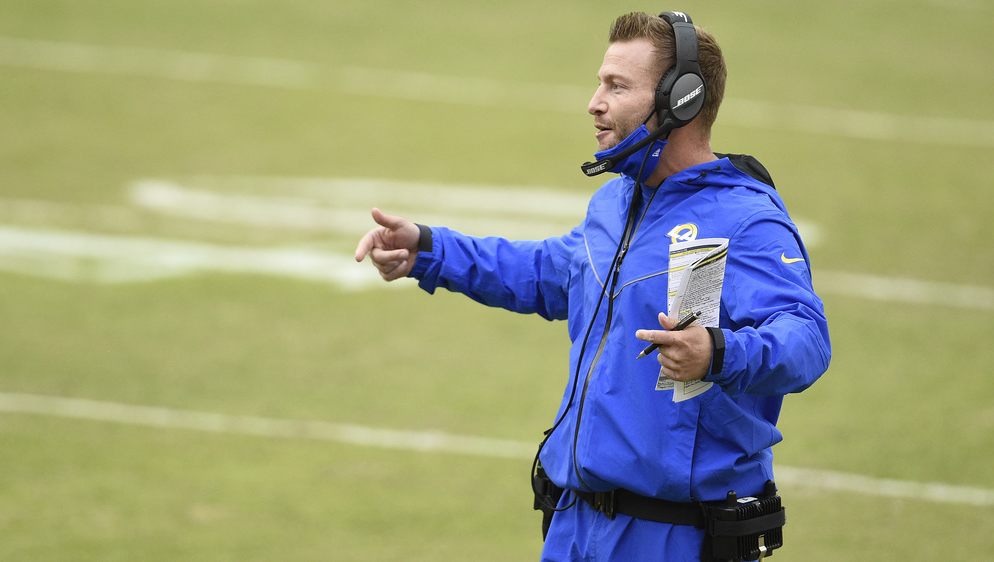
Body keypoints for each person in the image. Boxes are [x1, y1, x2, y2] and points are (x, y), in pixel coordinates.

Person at [355, 11, 830, 562]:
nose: (594, 102)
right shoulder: (615, 203)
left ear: (681, 100)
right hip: (574, 526)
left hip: (675, 536)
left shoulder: (745, 219)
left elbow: (807, 341)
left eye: (617, 85)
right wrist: (430, 250)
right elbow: (548, 272)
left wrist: (719, 352)